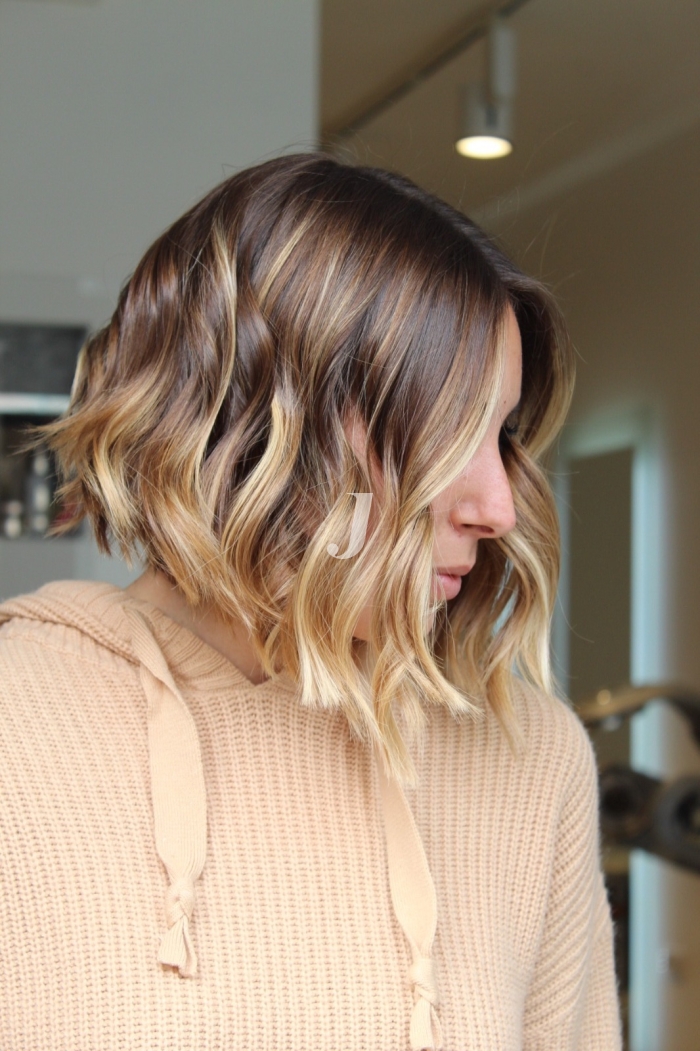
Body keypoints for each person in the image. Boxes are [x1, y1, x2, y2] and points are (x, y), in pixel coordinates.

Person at [0, 153, 623, 1050]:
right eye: (449, 432)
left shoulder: (528, 758)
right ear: (265, 426)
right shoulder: (20, 724)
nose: (497, 506)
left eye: (502, 433)